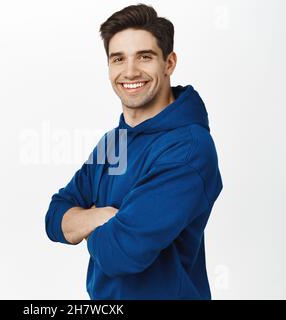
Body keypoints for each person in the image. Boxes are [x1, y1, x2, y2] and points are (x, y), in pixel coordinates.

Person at [45, 3, 223, 300]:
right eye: (118, 59)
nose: (130, 72)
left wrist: (83, 223)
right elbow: (54, 218)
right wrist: (104, 216)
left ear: (169, 63)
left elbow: (120, 253)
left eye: (144, 56)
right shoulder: (113, 143)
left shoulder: (189, 150)